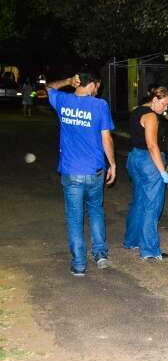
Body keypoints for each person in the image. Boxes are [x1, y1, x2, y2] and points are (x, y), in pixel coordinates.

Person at [47, 73, 116, 277]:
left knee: (75, 218)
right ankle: (100, 255)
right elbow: (106, 138)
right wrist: (112, 163)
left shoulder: (63, 100)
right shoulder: (100, 105)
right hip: (95, 171)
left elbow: (49, 87)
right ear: (92, 84)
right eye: (97, 86)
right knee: (95, 211)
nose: (98, 91)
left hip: (71, 172)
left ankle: (79, 264)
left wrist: (67, 81)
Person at [123, 87, 168, 261]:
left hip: (134, 158)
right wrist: (162, 171)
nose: (165, 109)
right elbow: (152, 146)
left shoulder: (137, 111)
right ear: (155, 99)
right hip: (148, 163)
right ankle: (149, 250)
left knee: (139, 201)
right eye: (164, 104)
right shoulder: (151, 116)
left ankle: (131, 240)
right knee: (152, 206)